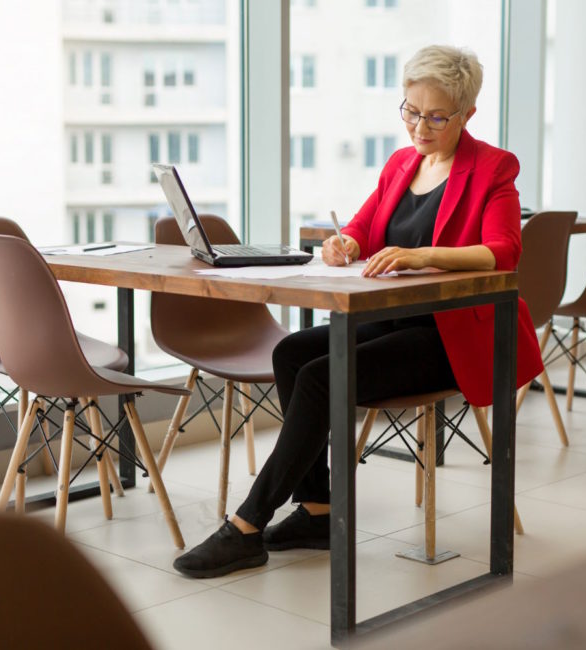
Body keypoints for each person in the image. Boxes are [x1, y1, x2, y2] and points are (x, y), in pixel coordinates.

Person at [173, 44, 543, 579]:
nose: (419, 127)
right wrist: (344, 242)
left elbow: (504, 251)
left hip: (450, 334)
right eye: (411, 111)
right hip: (391, 320)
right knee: (291, 353)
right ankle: (318, 512)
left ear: (467, 114)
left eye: (436, 117)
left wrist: (423, 255)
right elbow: (364, 227)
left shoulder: (493, 167)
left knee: (321, 377)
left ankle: (248, 524)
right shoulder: (401, 164)